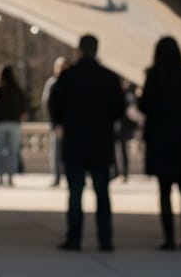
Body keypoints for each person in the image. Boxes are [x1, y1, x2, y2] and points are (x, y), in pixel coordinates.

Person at [49, 35, 125, 251]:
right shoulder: (108, 77)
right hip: (101, 142)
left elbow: (55, 106)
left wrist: (63, 124)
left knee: (75, 193)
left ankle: (74, 238)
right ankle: (105, 239)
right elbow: (118, 109)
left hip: (75, 142)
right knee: (102, 193)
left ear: (79, 50)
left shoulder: (68, 77)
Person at [138, 37, 181, 250]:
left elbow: (145, 105)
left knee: (164, 190)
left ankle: (169, 238)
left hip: (162, 139)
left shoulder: (154, 75)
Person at [42, 56, 68, 186]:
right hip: (58, 124)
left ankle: (69, 176)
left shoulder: (72, 82)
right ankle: (56, 177)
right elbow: (48, 105)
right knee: (56, 152)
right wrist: (55, 124)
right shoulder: (52, 83)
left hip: (71, 124)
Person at [114, 79, 140, 182]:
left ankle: (123, 173)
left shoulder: (128, 96)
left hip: (124, 127)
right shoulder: (123, 95)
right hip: (120, 126)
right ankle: (117, 173)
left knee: (123, 151)